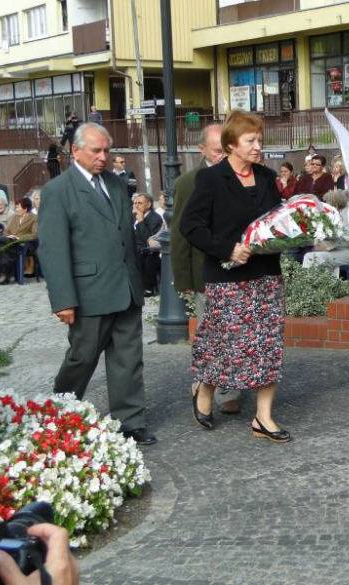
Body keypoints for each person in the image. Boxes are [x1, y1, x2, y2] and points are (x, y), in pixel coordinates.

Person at [38, 122, 156, 446]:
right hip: (88, 292)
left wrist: (140, 280)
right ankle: (59, 412)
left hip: (126, 288)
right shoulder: (58, 190)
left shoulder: (117, 185)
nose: (103, 157)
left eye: (106, 150)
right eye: (96, 151)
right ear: (75, 151)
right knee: (82, 357)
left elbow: (124, 236)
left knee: (128, 358)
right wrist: (63, 299)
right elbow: (52, 248)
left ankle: (130, 421)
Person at [180, 110, 291, 442]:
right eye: (251, 140)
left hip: (266, 276)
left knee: (269, 346)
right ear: (231, 144)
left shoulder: (268, 177)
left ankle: (263, 418)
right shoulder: (211, 179)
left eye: (260, 140)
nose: (258, 146)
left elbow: (277, 222)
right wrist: (227, 248)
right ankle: (206, 389)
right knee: (227, 346)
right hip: (227, 279)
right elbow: (191, 226)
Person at [171, 124, 242, 415]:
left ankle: (227, 389)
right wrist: (183, 277)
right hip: (205, 273)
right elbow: (179, 232)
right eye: (217, 151)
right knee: (211, 335)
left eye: (227, 149)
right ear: (201, 150)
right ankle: (209, 386)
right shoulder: (189, 182)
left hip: (239, 270)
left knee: (235, 333)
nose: (223, 156)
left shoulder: (242, 176)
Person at [302, 189, 349, 275]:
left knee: (310, 257)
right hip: (334, 251)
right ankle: (322, 284)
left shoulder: (347, 216)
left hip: (346, 253)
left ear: (335, 205)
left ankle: (317, 285)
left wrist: (331, 242)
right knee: (312, 255)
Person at [0, 197, 38, 285]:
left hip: (25, 244)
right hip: (10, 242)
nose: (16, 209)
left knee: (5, 249)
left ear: (25, 209)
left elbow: (35, 234)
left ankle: (5, 275)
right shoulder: (15, 217)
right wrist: (8, 235)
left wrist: (18, 237)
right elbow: (6, 231)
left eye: (18, 207)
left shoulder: (34, 218)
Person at [133, 193, 164, 296]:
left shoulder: (155, 218)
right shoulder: (133, 216)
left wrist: (141, 221)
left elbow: (147, 239)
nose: (136, 205)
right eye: (135, 203)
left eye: (140, 203)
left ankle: (148, 289)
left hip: (148, 253)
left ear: (149, 204)